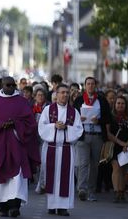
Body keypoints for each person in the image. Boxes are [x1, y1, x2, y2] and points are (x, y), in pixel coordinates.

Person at [0, 76, 40, 217]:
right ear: (2, 85)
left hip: (16, 144)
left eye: (13, 85)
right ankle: (2, 205)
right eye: (8, 85)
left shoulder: (22, 102)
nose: (11, 87)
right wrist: (0, 124)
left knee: (17, 176)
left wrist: (15, 124)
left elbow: (30, 123)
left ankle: (15, 205)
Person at [38, 84, 83, 216]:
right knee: (51, 177)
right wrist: (54, 126)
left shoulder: (74, 112)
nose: (65, 95)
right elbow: (41, 127)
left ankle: (63, 207)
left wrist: (66, 129)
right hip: (51, 148)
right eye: (62, 92)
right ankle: (52, 205)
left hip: (66, 149)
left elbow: (79, 129)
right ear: (56, 94)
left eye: (67, 93)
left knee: (65, 178)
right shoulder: (48, 110)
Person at [73, 77, 111, 201]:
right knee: (83, 163)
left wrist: (98, 120)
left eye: (92, 84)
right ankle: (82, 189)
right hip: (83, 136)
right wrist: (79, 119)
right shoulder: (79, 100)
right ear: (85, 85)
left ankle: (91, 190)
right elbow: (72, 116)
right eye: (88, 84)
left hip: (97, 136)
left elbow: (108, 118)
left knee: (94, 165)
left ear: (95, 86)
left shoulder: (101, 100)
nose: (90, 86)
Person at [106, 96, 128, 202]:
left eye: (122, 103)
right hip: (115, 146)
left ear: (126, 105)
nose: (120, 105)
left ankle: (122, 191)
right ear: (115, 104)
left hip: (127, 147)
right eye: (118, 103)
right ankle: (116, 192)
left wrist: (127, 144)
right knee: (116, 167)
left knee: (123, 170)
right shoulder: (110, 116)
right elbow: (108, 133)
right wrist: (121, 143)